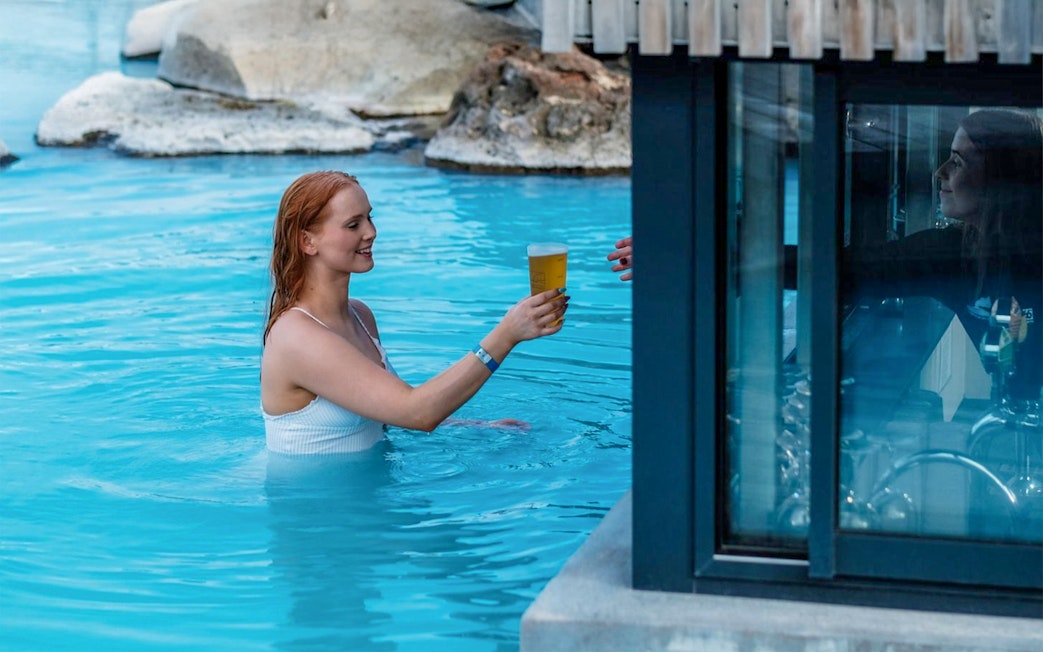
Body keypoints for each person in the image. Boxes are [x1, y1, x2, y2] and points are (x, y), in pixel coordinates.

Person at [261, 170, 569, 455]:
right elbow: (417, 413)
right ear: (307, 241)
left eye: (369, 218)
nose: (371, 232)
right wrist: (506, 335)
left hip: (367, 498)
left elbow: (386, 413)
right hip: (312, 508)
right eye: (353, 224)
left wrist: (477, 429)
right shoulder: (297, 337)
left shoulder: (359, 316)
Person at [850, 108, 1042, 402]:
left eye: (957, 162)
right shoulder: (955, 254)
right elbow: (847, 270)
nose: (940, 172)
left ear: (1001, 180)